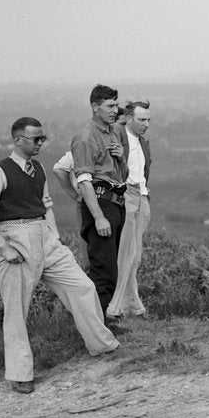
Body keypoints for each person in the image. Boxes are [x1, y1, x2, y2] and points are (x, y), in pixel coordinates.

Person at [0, 117, 119, 394]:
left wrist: (53, 236)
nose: (41, 143)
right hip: (15, 237)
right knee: (17, 310)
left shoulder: (38, 168)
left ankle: (102, 345)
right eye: (35, 139)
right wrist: (4, 247)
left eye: (43, 138)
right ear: (18, 140)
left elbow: (46, 204)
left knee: (82, 286)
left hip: (44, 236)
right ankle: (20, 374)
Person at [71, 84, 128, 329]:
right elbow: (84, 181)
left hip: (116, 202)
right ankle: (94, 326)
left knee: (110, 269)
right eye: (110, 106)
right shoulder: (86, 138)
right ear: (95, 107)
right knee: (103, 271)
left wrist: (120, 157)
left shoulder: (111, 133)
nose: (115, 110)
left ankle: (100, 320)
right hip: (101, 203)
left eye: (116, 105)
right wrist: (99, 217)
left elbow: (122, 173)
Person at [107, 100, 152, 321]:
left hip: (141, 196)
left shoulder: (142, 142)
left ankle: (132, 305)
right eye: (142, 119)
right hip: (128, 195)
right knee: (126, 254)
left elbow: (144, 170)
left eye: (148, 120)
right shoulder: (118, 137)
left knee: (135, 257)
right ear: (130, 119)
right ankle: (116, 307)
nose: (146, 124)